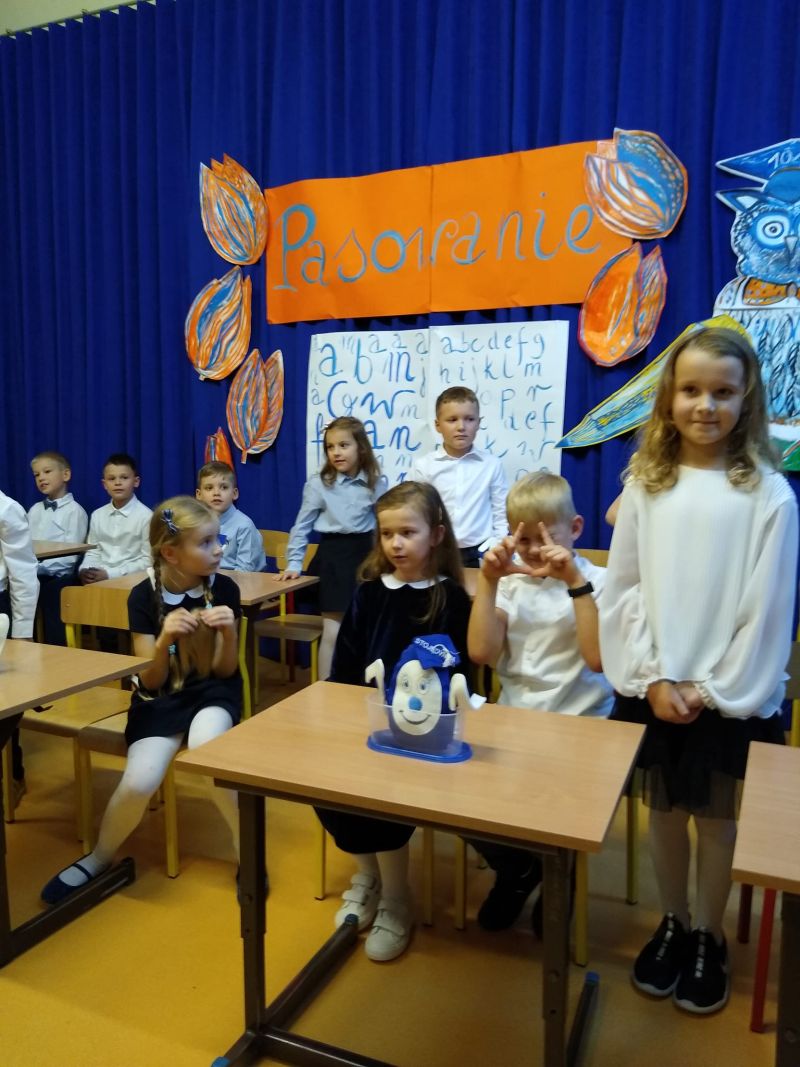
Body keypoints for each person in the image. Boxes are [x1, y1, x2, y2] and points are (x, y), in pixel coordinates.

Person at [599, 325, 798, 1015]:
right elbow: (624, 588)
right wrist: (653, 677)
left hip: (727, 695)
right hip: (656, 686)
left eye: (722, 392)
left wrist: (710, 689)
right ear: (668, 399)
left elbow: (766, 610)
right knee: (663, 812)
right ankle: (674, 920)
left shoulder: (769, 494)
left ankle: (710, 931)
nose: (705, 405)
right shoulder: (646, 485)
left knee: (715, 821)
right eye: (691, 390)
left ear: (747, 400)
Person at [41, 497, 243, 905]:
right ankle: (100, 857)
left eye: (217, 539)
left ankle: (248, 856)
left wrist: (229, 632)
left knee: (210, 757)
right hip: (160, 696)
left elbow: (225, 672)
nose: (218, 549)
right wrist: (165, 641)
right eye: (206, 542)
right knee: (138, 781)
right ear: (171, 553)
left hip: (212, 691)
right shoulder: (143, 596)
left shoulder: (224, 588)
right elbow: (151, 679)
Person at [316, 481, 472, 961]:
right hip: (366, 723)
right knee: (324, 786)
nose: (396, 544)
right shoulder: (368, 593)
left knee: (383, 797)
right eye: (387, 534)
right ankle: (368, 875)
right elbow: (345, 667)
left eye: (407, 532)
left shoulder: (451, 598)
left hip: (424, 733)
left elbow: (461, 673)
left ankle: (397, 899)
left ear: (436, 535)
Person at [467, 471, 613, 931]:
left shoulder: (600, 580)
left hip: (583, 725)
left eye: (546, 536)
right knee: (453, 787)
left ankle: (559, 874)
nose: (534, 549)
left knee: (563, 800)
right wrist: (489, 581)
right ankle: (517, 869)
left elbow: (597, 659)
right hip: (517, 720)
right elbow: (481, 652)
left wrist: (573, 581)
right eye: (524, 539)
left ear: (576, 528)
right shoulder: (513, 584)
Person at [278, 416, 388, 679]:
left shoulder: (375, 481)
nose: (336, 452)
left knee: (366, 628)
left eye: (343, 445)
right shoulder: (319, 484)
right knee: (333, 629)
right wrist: (294, 563)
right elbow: (301, 526)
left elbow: (386, 525)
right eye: (330, 447)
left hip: (366, 557)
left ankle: (364, 685)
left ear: (361, 447)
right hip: (333, 558)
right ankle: (325, 687)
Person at [408, 386, 508, 568]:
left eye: (469, 419)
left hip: (481, 551)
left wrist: (499, 544)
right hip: (437, 550)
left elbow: (500, 511)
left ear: (479, 422)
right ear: (438, 425)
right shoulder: (423, 466)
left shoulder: (491, 465)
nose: (461, 427)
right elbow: (415, 511)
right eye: (452, 420)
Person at [0, 489, 39, 804]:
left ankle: (13, 774)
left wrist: (23, 631)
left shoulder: (6, 508)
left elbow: (23, 572)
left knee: (5, 698)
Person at [27, 450, 89, 645]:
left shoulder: (75, 512)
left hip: (60, 575)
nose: (41, 478)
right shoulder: (34, 510)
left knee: (52, 592)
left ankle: (57, 648)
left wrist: (38, 568)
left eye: (47, 472)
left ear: (66, 475)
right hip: (34, 573)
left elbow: (70, 557)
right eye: (36, 475)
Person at [79, 453, 151, 584]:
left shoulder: (146, 516)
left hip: (132, 581)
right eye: (111, 479)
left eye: (124, 477)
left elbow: (148, 561)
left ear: (136, 482)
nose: (117, 483)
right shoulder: (97, 515)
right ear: (104, 484)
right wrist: (86, 570)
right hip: (99, 578)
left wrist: (110, 574)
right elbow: (93, 552)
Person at [196, 460, 266, 572]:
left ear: (234, 493)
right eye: (209, 488)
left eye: (224, 487)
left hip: (240, 580)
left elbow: (245, 571)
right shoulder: (196, 524)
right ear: (199, 495)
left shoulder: (244, 526)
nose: (216, 493)